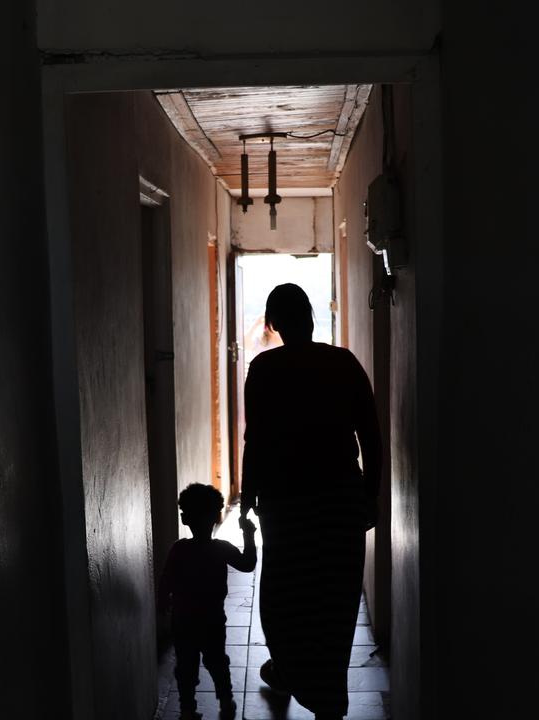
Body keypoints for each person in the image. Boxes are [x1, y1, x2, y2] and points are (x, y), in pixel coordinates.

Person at [240, 283, 381, 720]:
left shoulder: (263, 369)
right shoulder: (343, 364)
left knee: (284, 601)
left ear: (274, 324)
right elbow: (371, 439)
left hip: (287, 505)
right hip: (339, 501)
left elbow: (255, 441)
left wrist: (247, 497)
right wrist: (369, 499)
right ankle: (327, 701)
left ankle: (291, 671)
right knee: (334, 604)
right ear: (311, 318)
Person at [158, 483, 258, 720]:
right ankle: (225, 702)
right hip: (211, 620)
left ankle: (187, 709)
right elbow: (248, 564)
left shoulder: (179, 549)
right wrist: (249, 535)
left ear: (184, 518)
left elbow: (166, 580)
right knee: (217, 663)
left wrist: (162, 603)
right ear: (216, 516)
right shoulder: (220, 549)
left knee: (186, 667)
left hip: (183, 621)